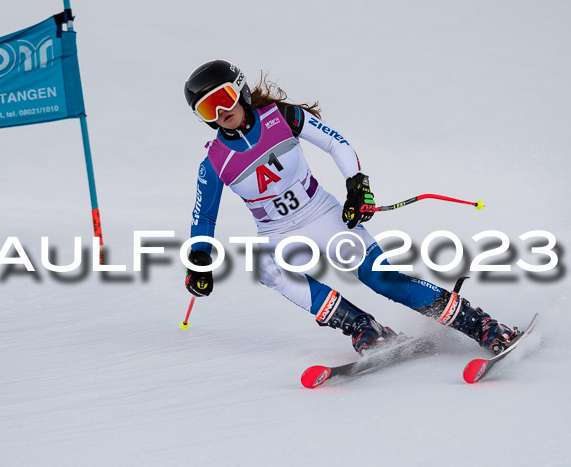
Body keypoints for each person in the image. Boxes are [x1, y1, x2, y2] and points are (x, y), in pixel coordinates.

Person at [183, 59, 518, 355]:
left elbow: (335, 143)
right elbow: (204, 216)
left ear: (239, 91)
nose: (220, 113)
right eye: (206, 110)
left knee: (381, 278)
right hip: (277, 232)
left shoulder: (281, 117)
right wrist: (199, 260)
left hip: (321, 214)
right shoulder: (213, 162)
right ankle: (363, 328)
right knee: (268, 268)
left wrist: (357, 184)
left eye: (222, 99)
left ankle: (481, 324)